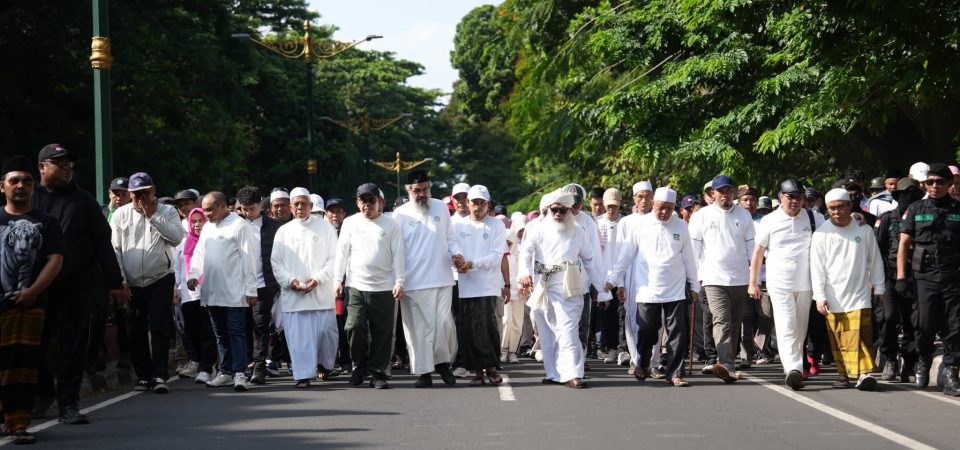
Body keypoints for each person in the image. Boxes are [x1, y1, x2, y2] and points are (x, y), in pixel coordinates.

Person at [32, 144, 126, 425]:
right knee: (34, 343)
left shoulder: (83, 201)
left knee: (72, 346)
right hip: (36, 288)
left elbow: (102, 244)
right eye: (59, 162)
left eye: (69, 163)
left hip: (76, 286)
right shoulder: (30, 199)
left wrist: (115, 282)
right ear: (42, 167)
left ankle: (68, 404)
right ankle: (44, 391)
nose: (66, 167)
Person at [0, 156, 64, 444]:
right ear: (2, 186)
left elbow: (55, 259)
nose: (21, 185)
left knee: (23, 367)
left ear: (33, 186)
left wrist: (34, 290)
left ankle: (19, 424)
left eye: (27, 181)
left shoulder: (47, 223)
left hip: (31, 304)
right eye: (14, 180)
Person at [519, 189, 606, 388]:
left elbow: (590, 260)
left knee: (568, 330)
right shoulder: (538, 229)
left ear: (569, 211)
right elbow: (526, 253)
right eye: (555, 210)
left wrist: (601, 287)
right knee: (547, 331)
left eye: (563, 210)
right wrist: (524, 273)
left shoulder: (579, 231)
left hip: (569, 287)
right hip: (543, 286)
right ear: (549, 210)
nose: (558, 214)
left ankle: (573, 374)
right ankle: (553, 373)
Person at [111, 172, 185, 393]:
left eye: (145, 192)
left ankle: (160, 374)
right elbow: (115, 249)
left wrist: (152, 215)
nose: (140, 197)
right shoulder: (121, 214)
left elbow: (177, 238)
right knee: (136, 329)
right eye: (135, 194)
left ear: (153, 191)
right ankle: (143, 376)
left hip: (160, 278)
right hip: (132, 282)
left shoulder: (167, 211)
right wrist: (121, 281)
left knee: (159, 325)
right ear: (129, 194)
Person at [748, 179, 823, 390]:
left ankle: (795, 366)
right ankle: (792, 369)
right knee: (786, 325)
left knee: (800, 330)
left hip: (806, 283)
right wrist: (753, 283)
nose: (795, 201)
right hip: (779, 283)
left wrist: (856, 220)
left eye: (799, 197)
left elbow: (834, 231)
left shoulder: (813, 217)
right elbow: (758, 253)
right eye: (790, 197)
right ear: (781, 197)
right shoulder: (769, 221)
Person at [392, 171, 464, 387]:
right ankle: (424, 372)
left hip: (442, 278)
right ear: (408, 190)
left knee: (444, 324)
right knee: (419, 330)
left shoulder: (441, 208)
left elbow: (451, 238)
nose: (422, 194)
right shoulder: (399, 215)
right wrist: (398, 280)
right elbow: (396, 251)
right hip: (413, 282)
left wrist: (457, 254)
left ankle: (442, 364)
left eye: (425, 189)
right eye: (417, 190)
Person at [811, 188, 885, 391]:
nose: (836, 211)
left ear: (850, 206)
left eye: (841, 207)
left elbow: (875, 260)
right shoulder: (821, 234)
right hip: (833, 296)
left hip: (860, 294)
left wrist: (879, 287)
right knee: (839, 338)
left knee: (862, 335)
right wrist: (819, 296)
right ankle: (843, 375)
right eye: (832, 208)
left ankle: (864, 374)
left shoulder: (864, 230)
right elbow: (816, 268)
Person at [333, 183, 405, 389]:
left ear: (379, 201)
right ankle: (359, 365)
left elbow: (398, 254)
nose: (367, 204)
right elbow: (341, 253)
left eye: (371, 200)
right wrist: (337, 280)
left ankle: (378, 372)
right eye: (363, 200)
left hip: (384, 287)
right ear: (357, 203)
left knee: (382, 332)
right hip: (356, 285)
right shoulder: (350, 223)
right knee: (353, 326)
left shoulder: (391, 224)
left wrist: (399, 281)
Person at [897, 163, 960, 395]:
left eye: (940, 182)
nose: (934, 186)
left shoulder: (958, 209)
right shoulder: (915, 208)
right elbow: (904, 244)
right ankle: (924, 357)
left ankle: (952, 371)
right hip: (924, 275)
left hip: (953, 275)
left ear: (950, 184)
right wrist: (901, 276)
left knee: (955, 325)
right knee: (924, 324)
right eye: (930, 182)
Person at [688, 175, 756, 383]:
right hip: (712, 278)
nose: (725, 194)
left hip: (740, 278)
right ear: (713, 193)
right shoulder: (701, 216)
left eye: (729, 190)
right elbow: (693, 250)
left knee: (735, 323)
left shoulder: (744, 215)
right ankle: (726, 364)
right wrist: (693, 278)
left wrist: (753, 277)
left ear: (733, 193)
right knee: (721, 320)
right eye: (721, 191)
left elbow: (752, 247)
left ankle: (727, 362)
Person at [188, 192, 258, 392]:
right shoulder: (208, 227)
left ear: (223, 206)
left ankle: (239, 373)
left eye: (210, 209)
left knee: (236, 332)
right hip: (212, 290)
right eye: (205, 209)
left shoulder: (239, 225)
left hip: (234, 291)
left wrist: (251, 289)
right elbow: (199, 254)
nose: (207, 214)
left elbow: (249, 258)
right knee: (220, 334)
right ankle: (225, 372)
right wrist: (193, 275)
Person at [270, 188, 339, 388]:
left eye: (304, 203)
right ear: (291, 207)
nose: (300, 207)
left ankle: (325, 365)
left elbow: (334, 259)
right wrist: (291, 281)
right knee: (299, 340)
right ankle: (303, 375)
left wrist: (317, 279)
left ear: (310, 205)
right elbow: (276, 262)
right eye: (296, 204)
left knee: (327, 335)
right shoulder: (283, 231)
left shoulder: (325, 228)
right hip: (295, 296)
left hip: (321, 294)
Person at [452, 185, 507, 385]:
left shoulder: (496, 225)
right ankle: (477, 373)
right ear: (468, 203)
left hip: (488, 286)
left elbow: (496, 256)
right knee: (470, 330)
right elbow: (452, 245)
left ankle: (491, 369)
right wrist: (457, 258)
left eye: (483, 203)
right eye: (475, 202)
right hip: (466, 286)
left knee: (488, 328)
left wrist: (472, 264)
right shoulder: (458, 225)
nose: (478, 206)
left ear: (488, 204)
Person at [875, 177, 923, 383]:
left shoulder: (921, 218)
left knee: (913, 321)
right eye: (905, 194)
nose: (909, 198)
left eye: (914, 194)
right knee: (889, 317)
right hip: (890, 277)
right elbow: (877, 250)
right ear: (897, 196)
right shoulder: (887, 219)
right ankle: (890, 358)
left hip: (916, 277)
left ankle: (909, 363)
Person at [234, 186, 282, 384]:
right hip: (238, 284)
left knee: (260, 326)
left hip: (264, 284)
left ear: (260, 204)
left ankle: (260, 367)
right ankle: (245, 365)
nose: (247, 213)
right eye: (244, 209)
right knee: (242, 327)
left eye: (252, 208)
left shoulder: (274, 226)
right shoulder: (234, 224)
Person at [173, 208, 217, 385]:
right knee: (191, 331)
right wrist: (176, 288)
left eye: (201, 220)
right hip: (188, 295)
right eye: (194, 221)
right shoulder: (183, 244)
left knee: (207, 332)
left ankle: (207, 367)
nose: (197, 225)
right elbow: (177, 268)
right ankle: (200, 362)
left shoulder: (212, 241)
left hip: (208, 294)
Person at [596, 188, 624, 365]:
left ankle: (623, 349)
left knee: (623, 314)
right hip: (603, 277)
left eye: (615, 206)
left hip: (622, 275)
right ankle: (612, 348)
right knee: (608, 315)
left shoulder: (625, 223)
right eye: (609, 206)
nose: (612, 209)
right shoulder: (597, 223)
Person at [502, 213, 528, 363]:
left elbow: (525, 272)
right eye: (505, 243)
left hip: (519, 293)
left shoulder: (521, 254)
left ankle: (513, 352)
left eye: (509, 243)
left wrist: (523, 285)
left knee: (518, 323)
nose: (508, 246)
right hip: (504, 292)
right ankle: (503, 350)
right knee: (506, 321)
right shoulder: (501, 257)